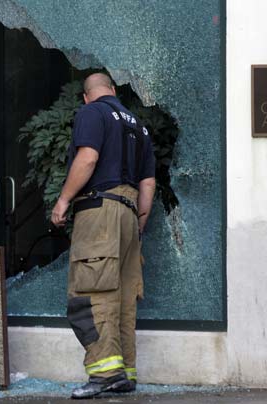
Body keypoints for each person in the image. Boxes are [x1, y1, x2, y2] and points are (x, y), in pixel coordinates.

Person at [51, 72, 156, 399]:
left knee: (92, 291)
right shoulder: (138, 125)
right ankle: (124, 373)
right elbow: (148, 184)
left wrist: (64, 199)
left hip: (100, 211)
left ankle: (104, 374)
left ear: (86, 96)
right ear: (113, 90)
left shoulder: (91, 113)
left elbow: (88, 157)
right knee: (123, 298)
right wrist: (138, 221)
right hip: (128, 213)